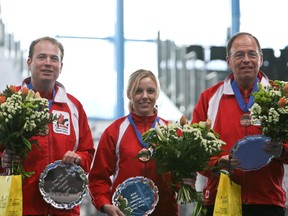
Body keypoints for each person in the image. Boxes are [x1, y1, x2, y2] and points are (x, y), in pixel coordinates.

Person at [192, 32, 287, 216]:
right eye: (239, 55)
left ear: (260, 59)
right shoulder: (209, 98)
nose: (246, 60)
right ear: (228, 60)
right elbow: (195, 153)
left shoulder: (281, 96)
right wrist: (216, 164)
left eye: (252, 54)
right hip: (221, 201)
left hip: (267, 201)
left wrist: (282, 150)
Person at [0, 36, 95, 215]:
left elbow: (88, 154)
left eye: (54, 59)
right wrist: (2, 159)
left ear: (61, 66)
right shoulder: (7, 101)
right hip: (19, 206)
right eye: (41, 57)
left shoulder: (73, 107)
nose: (48, 63)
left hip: (64, 207)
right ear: (29, 62)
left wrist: (78, 158)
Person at [88, 69, 179, 216]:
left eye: (150, 91)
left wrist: (187, 181)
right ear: (129, 94)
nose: (145, 96)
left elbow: (179, 175)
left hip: (165, 211)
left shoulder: (172, 132)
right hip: (124, 213)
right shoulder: (115, 131)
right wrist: (105, 204)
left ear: (157, 94)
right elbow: (98, 178)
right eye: (138, 91)